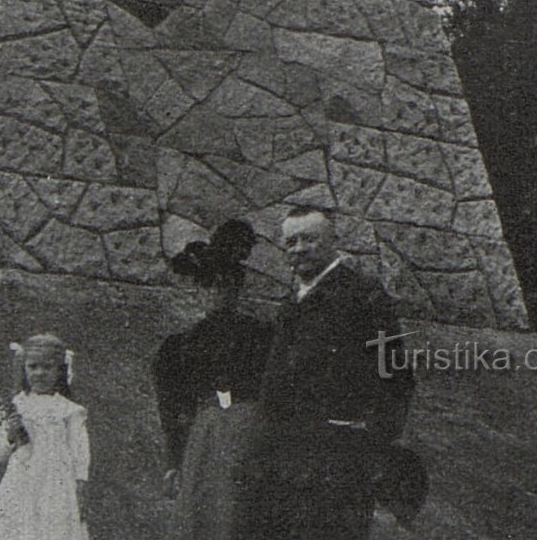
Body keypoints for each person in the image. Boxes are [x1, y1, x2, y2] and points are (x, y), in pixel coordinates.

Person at [237, 206, 414, 540]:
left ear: (334, 240)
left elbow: (395, 376)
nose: (299, 249)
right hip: (281, 460)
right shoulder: (292, 303)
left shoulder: (363, 296)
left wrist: (370, 446)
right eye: (291, 242)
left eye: (309, 239)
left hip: (337, 463)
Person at [152, 220, 273, 540]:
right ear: (198, 291)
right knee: (204, 516)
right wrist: (174, 461)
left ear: (237, 288)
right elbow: (172, 409)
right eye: (209, 286)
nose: (217, 293)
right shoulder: (179, 346)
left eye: (226, 285)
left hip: (248, 437)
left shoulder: (261, 337)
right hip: (204, 440)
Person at [0, 331, 90, 540]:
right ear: (24, 369)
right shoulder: (15, 407)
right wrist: (10, 435)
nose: (39, 373)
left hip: (57, 485)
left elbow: (80, 451)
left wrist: (80, 486)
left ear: (60, 371)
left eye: (47, 367)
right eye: (33, 367)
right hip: (21, 482)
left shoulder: (69, 410)